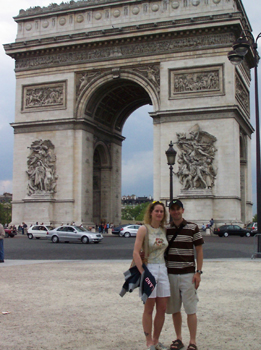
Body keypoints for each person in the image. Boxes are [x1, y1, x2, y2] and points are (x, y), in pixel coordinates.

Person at [166, 199, 204, 350]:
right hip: (171, 274)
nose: (175, 211)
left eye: (178, 209)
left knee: (190, 310)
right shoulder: (165, 229)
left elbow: (199, 250)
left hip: (188, 274)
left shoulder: (193, 227)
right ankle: (178, 338)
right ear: (170, 211)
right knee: (175, 309)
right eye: (172, 209)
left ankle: (193, 341)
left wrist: (198, 272)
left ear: (183, 210)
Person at [133, 201, 170, 350]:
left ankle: (156, 340)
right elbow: (136, 252)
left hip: (163, 269)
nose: (159, 214)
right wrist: (143, 273)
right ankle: (148, 341)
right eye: (157, 211)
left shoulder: (164, 230)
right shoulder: (143, 229)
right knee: (149, 308)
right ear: (151, 213)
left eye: (161, 211)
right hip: (149, 269)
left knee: (162, 308)